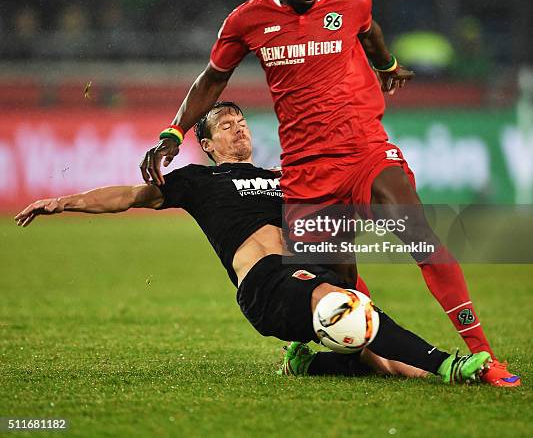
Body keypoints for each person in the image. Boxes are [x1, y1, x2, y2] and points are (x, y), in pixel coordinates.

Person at [139, 0, 518, 387]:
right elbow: (212, 81)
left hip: (364, 149)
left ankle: (484, 353)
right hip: (307, 171)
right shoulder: (248, 20)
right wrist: (174, 131)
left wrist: (387, 65)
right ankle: (320, 359)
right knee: (340, 287)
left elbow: (370, 30)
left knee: (420, 238)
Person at [16, 102, 493, 384]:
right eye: (225, 125)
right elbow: (128, 195)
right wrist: (63, 202)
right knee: (343, 308)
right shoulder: (198, 180)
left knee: (385, 367)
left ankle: (307, 364)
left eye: (241, 122)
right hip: (265, 286)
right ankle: (451, 364)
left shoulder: (282, 179)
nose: (238, 128)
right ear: (206, 143)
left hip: (309, 274)